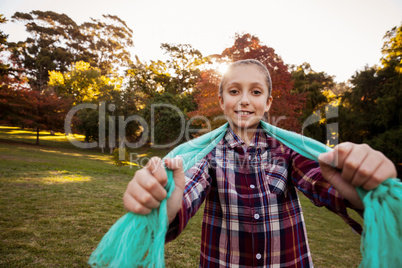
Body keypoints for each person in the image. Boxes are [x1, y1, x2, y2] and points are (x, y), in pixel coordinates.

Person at [123, 59, 397, 267]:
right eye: (233, 91)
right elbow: (191, 185)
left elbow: (318, 176)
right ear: (221, 101)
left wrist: (359, 189)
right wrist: (169, 204)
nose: (244, 100)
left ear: (268, 102)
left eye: (255, 92)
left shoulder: (288, 150)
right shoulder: (207, 154)